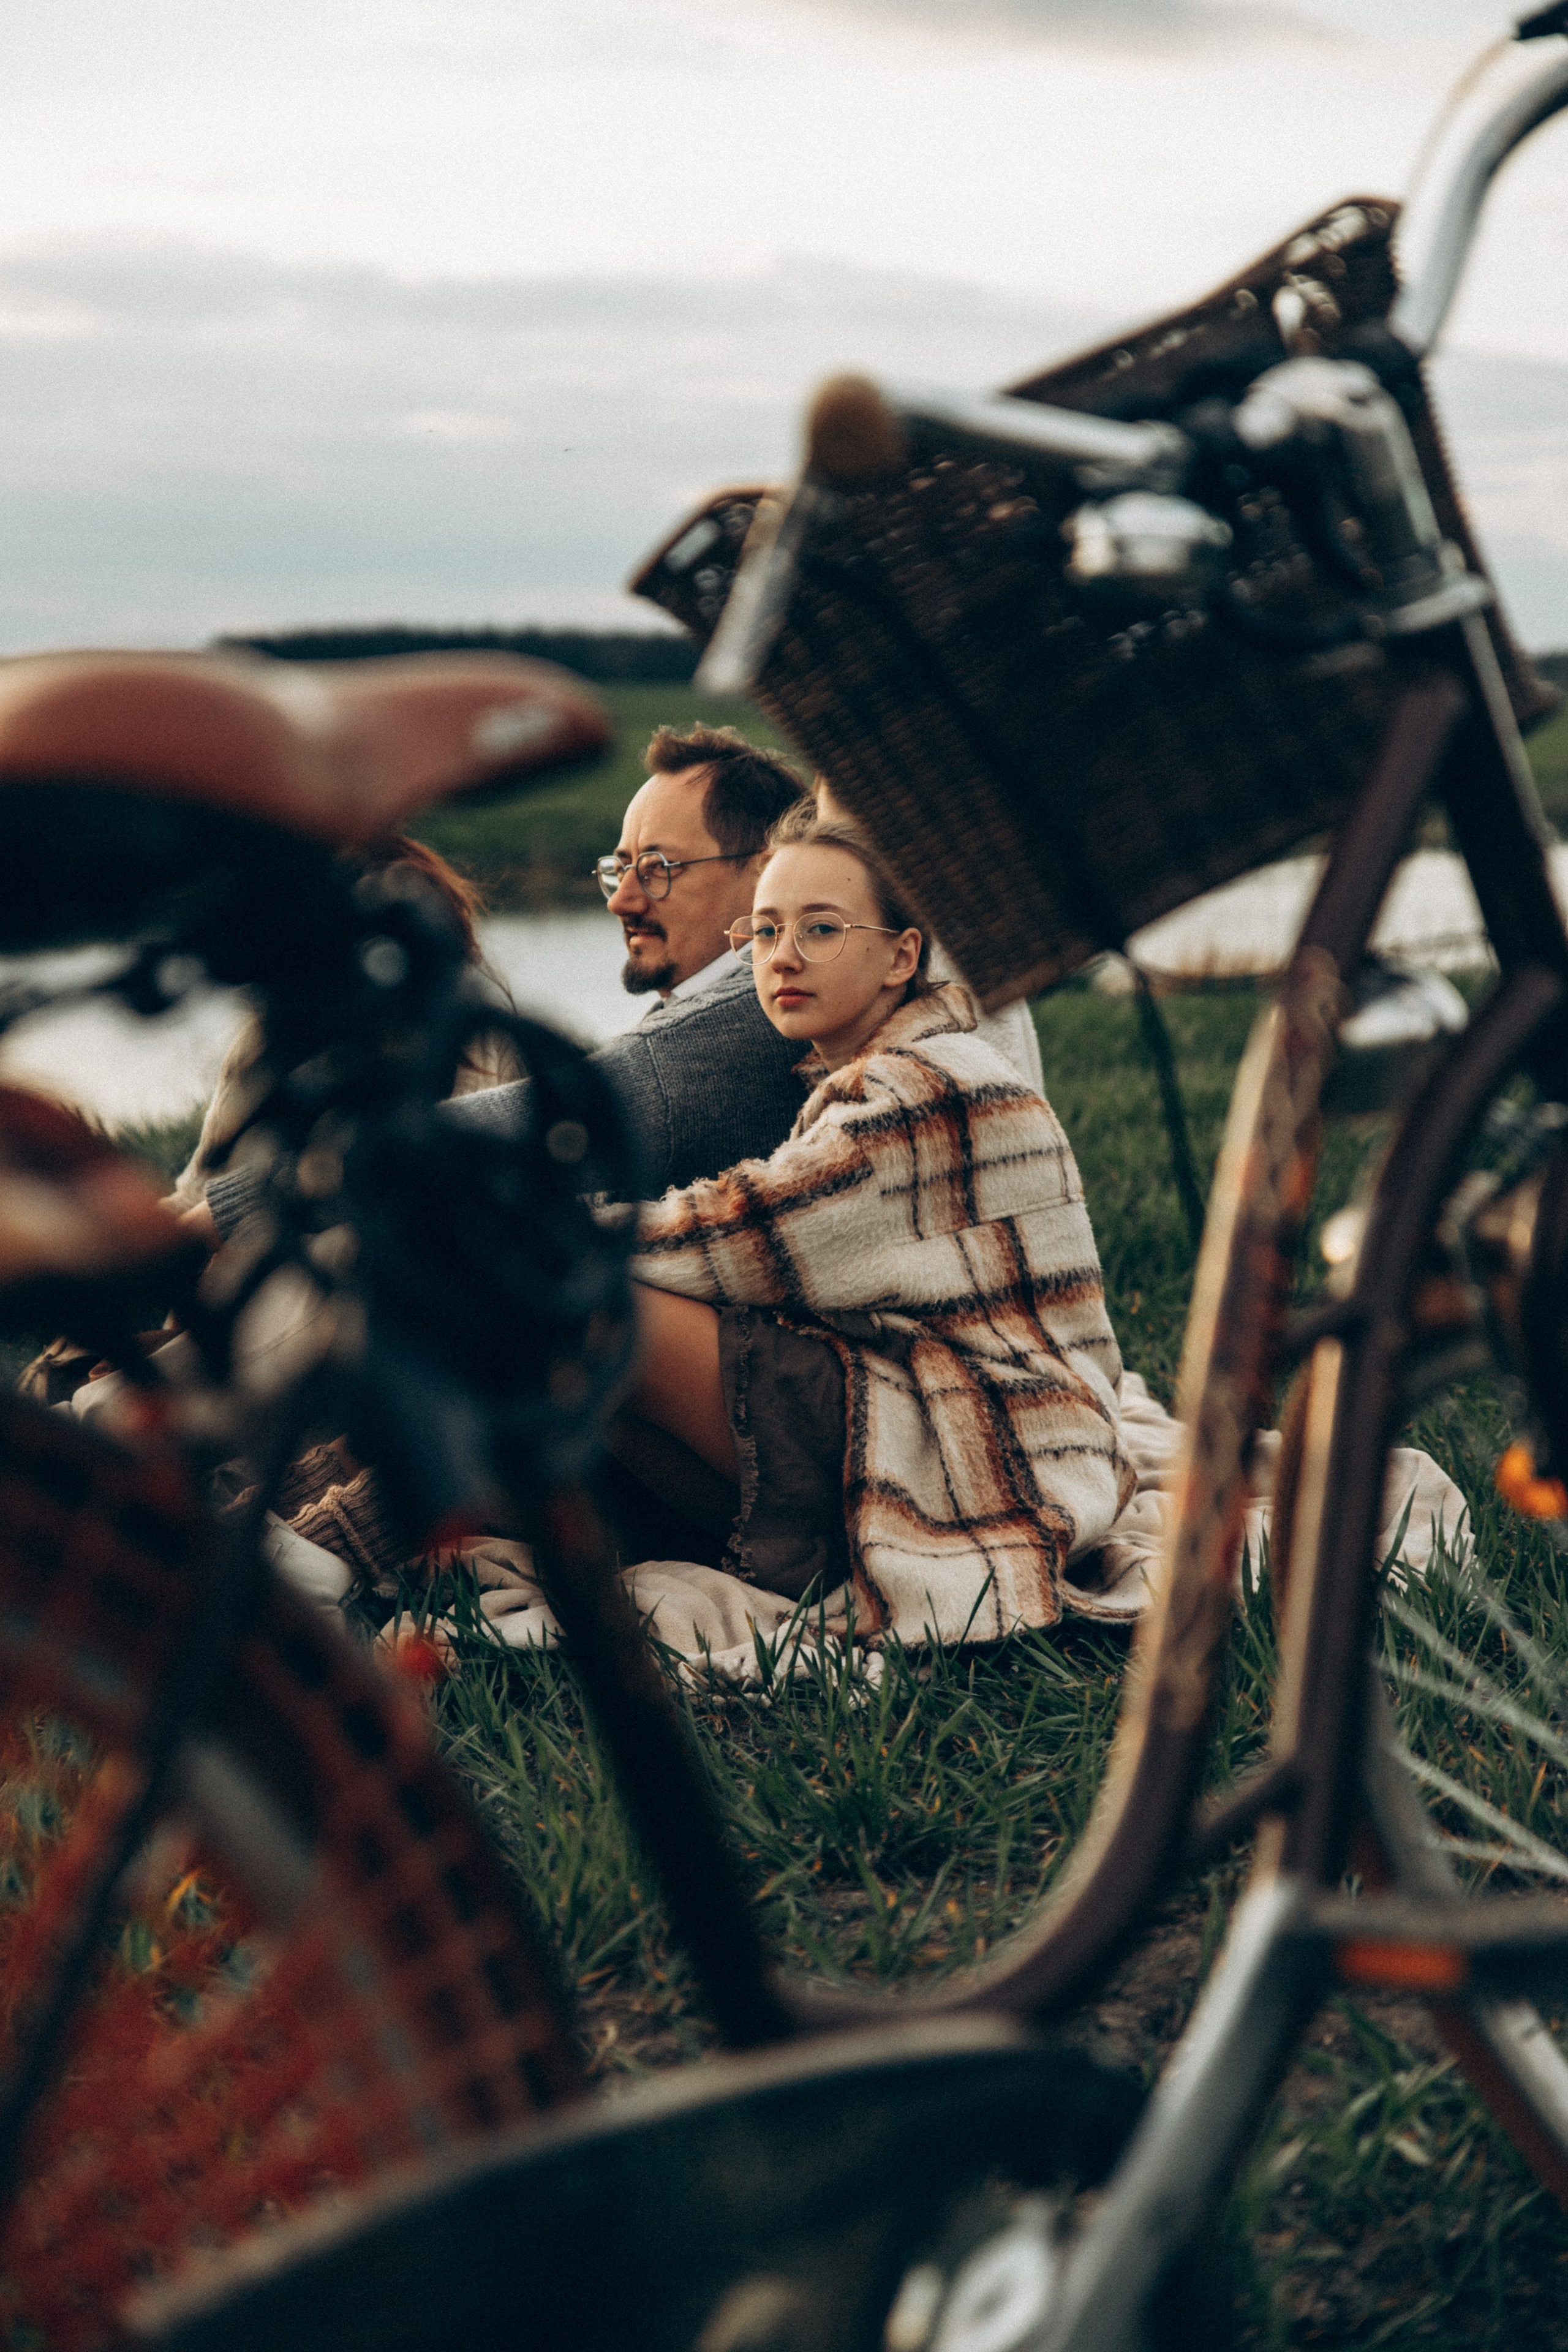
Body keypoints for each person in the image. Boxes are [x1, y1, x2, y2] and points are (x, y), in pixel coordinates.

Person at [617, 801, 1131, 1646]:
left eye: (821, 929)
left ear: (903, 955)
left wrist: (541, 1222)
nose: (782, 957)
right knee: (575, 1371)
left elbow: (730, 1237)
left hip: (988, 1457)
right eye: (765, 932)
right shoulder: (900, 1066)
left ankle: (830, 1550)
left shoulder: (918, 1089)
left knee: (588, 1305)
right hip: (980, 1427)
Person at [443, 725, 812, 1196]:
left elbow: (517, 1125)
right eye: (620, 870)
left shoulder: (744, 1023)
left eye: (659, 868)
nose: (622, 901)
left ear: (767, 873)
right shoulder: (757, 999)